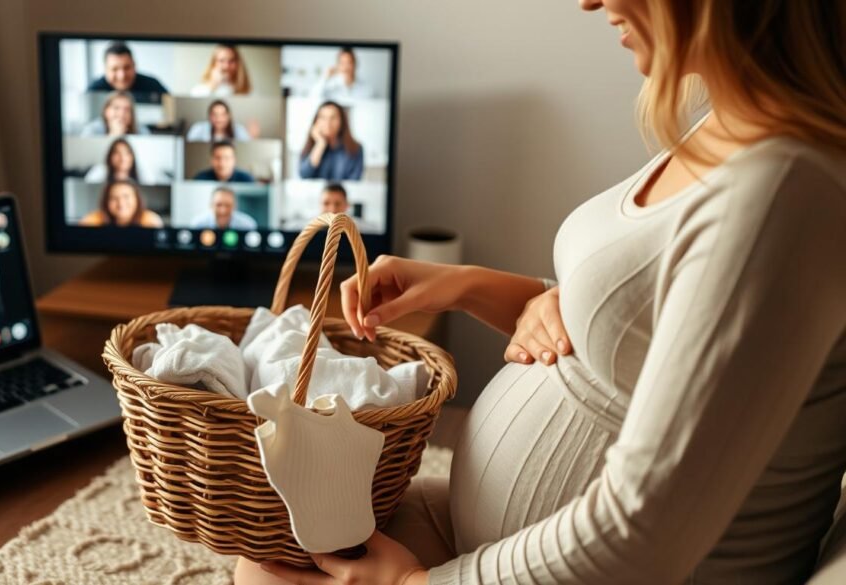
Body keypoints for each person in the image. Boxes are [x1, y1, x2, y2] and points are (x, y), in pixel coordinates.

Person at [240, 0, 846, 584]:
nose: (588, 2)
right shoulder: (735, 125)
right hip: (492, 534)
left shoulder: (784, 192)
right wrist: (467, 286)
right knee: (269, 558)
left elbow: (644, 531)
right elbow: (638, 331)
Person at [298, 101, 364, 181]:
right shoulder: (310, 147)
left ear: (341, 121)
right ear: (316, 121)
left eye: (333, 118)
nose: (328, 123)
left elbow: (354, 180)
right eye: (323, 117)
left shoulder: (355, 148)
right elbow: (304, 176)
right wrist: (320, 144)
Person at [86, 41, 168, 104]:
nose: (122, 76)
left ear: (134, 65)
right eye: (115, 69)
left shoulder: (153, 86)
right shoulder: (94, 92)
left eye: (127, 68)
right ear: (105, 69)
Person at [79, 179, 164, 228]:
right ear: (106, 202)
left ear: (137, 199)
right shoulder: (95, 218)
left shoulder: (150, 220)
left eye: (126, 196)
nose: (121, 203)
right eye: (113, 198)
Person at [311, 47, 376, 102]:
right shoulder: (330, 87)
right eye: (342, 63)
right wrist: (325, 77)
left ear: (355, 65)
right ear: (338, 65)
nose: (346, 67)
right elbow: (313, 97)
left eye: (349, 63)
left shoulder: (367, 89)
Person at [80, 91, 147, 137]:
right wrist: (113, 136)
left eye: (127, 109)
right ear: (106, 111)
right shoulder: (92, 130)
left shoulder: (142, 131)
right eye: (116, 108)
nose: (122, 114)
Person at [191, 186, 257, 230]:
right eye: (218, 205)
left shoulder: (247, 225)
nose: (223, 211)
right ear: (211, 205)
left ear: (235, 206)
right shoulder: (198, 225)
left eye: (228, 205)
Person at [186, 100, 253, 142]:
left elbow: (248, 141)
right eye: (215, 115)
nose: (219, 119)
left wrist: (253, 138)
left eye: (223, 115)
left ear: (229, 116)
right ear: (209, 116)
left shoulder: (239, 129)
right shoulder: (198, 128)